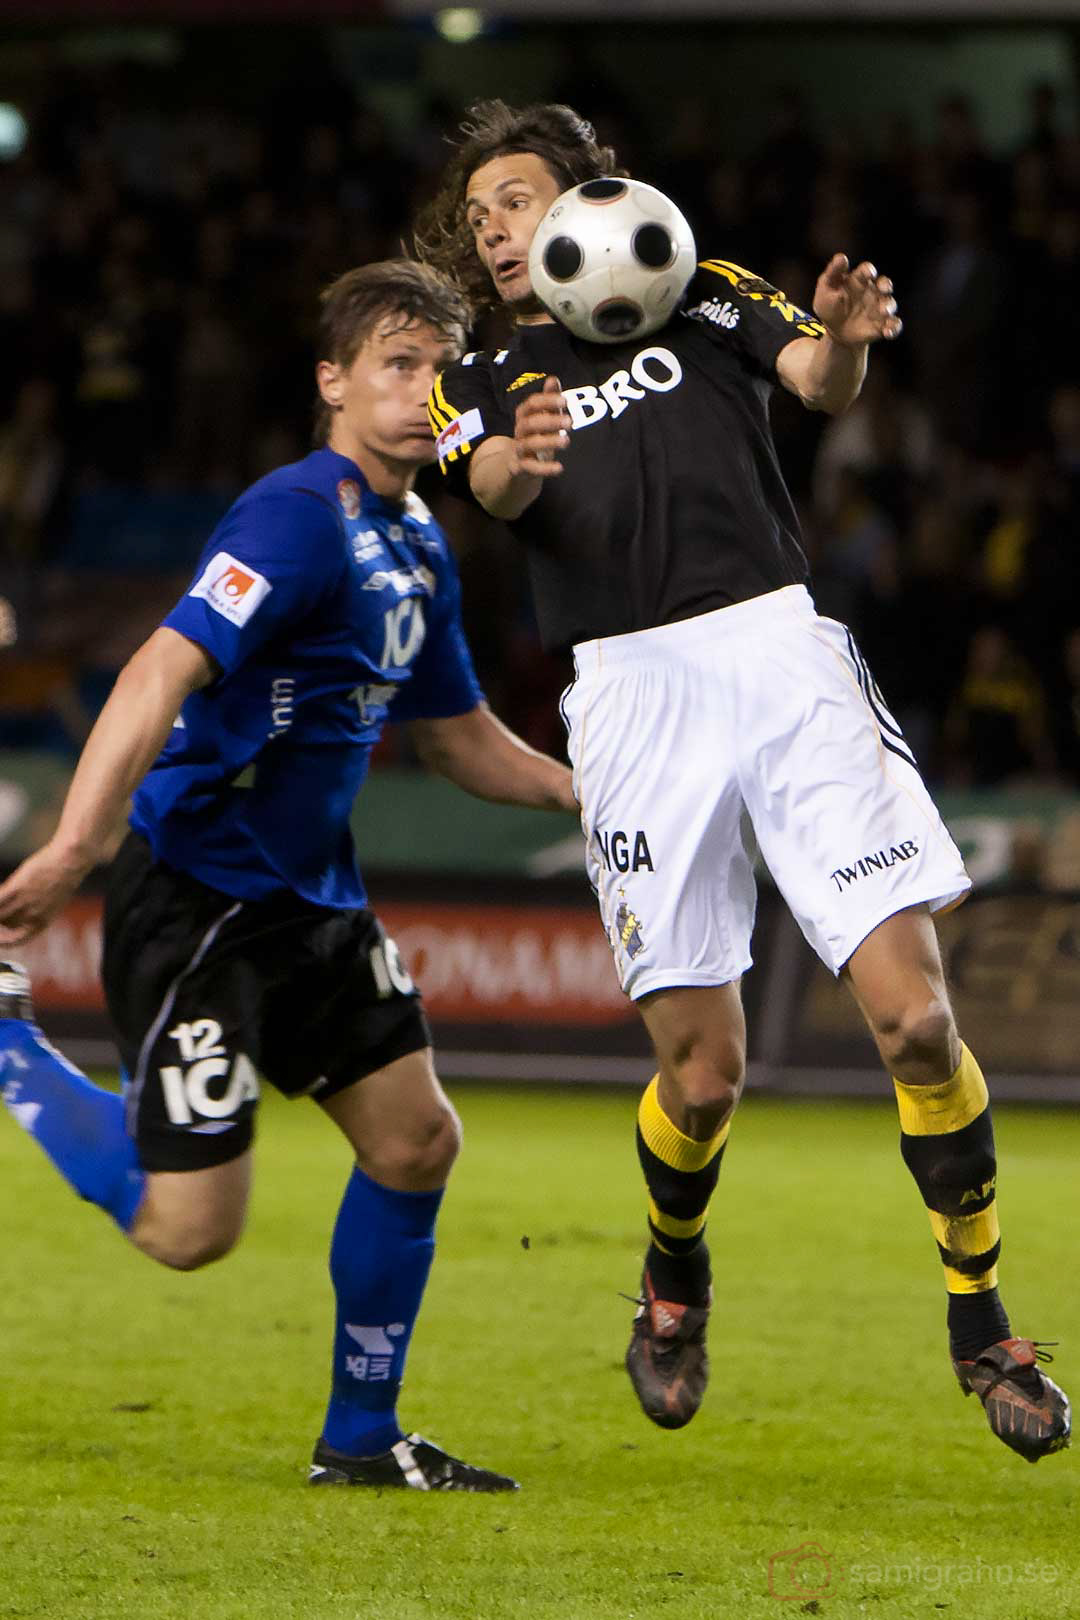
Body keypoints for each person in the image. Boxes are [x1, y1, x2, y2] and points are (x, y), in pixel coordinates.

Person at [414, 101, 1071, 1462]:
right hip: (633, 697)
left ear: (593, 203)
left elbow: (819, 382)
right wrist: (515, 465)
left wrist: (847, 342)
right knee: (703, 1078)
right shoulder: (479, 363)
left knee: (913, 1022)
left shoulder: (701, 287)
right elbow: (486, 483)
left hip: (778, 655)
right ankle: (675, 1270)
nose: (494, 226)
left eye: (517, 197)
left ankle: (982, 1314)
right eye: (478, 215)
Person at [0, 258, 578, 1491]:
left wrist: (594, 791)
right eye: (396, 365)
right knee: (187, 1233)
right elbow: (161, 670)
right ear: (334, 381)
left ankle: (362, 1442)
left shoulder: (420, 538)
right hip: (199, 897)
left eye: (438, 369)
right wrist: (74, 847)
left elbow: (462, 739)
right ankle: (7, 1046)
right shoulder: (295, 515)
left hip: (316, 902)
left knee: (418, 1140)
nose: (422, 391)